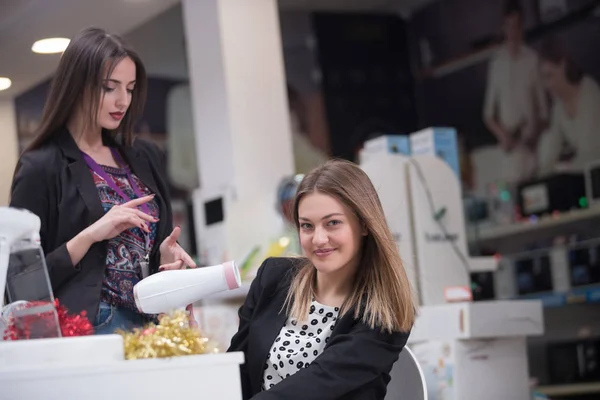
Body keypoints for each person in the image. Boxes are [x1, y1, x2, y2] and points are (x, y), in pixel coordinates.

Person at [10, 27, 196, 334]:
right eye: (110, 88)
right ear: (77, 86)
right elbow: (20, 280)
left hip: (154, 322)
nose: (123, 100)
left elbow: (157, 245)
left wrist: (167, 255)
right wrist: (90, 235)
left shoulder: (144, 155)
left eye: (131, 88)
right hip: (90, 326)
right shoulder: (42, 165)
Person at [228, 160, 415, 399]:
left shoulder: (384, 312)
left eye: (333, 223)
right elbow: (236, 371)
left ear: (364, 225)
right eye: (307, 226)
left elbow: (318, 384)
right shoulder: (273, 278)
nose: (318, 239)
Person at [483, 0, 548, 183]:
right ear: (504, 28)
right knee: (512, 201)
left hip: (531, 149)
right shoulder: (496, 64)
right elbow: (488, 115)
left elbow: (544, 112)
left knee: (536, 199)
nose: (513, 32)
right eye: (509, 26)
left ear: (522, 27)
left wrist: (533, 136)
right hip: (508, 151)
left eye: (517, 26)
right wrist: (504, 136)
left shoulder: (533, 60)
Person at [537, 37, 600, 174]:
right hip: (586, 174)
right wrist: (540, 179)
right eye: (544, 78)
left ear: (563, 66)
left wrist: (565, 168)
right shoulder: (558, 107)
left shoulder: (588, 90)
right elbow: (551, 152)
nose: (547, 85)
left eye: (549, 76)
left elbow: (591, 152)